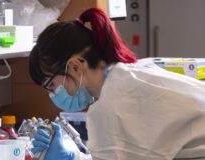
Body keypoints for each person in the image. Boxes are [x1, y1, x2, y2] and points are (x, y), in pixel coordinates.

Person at [28, 8, 205, 160]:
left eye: (51, 86)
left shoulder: (114, 104)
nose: (53, 96)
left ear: (75, 67)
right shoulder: (127, 76)